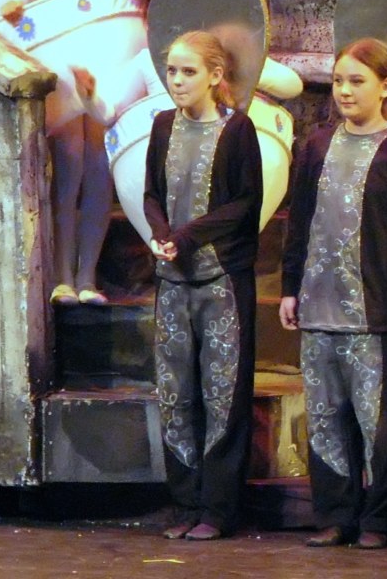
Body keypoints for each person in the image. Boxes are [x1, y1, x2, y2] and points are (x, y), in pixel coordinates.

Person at [279, 38, 387, 551]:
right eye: (339, 81)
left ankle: (380, 518)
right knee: (325, 417)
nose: (344, 91)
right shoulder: (316, 146)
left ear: (385, 87)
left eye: (356, 81)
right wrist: (290, 288)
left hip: (376, 310)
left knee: (379, 421)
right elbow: (300, 221)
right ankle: (334, 513)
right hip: (318, 304)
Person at [141, 30, 263, 541]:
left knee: (222, 393)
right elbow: (152, 192)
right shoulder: (163, 125)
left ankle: (218, 508)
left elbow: (244, 204)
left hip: (221, 280)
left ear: (215, 76)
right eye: (172, 71)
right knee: (176, 393)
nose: (177, 81)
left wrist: (188, 236)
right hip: (173, 280)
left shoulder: (236, 130)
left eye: (188, 72)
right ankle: (185, 502)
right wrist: (160, 233)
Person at [4, 0, 135, 306]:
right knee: (69, 166)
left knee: (99, 166)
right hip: (60, 60)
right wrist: (15, 8)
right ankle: (61, 276)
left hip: (105, 57)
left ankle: (88, 276)